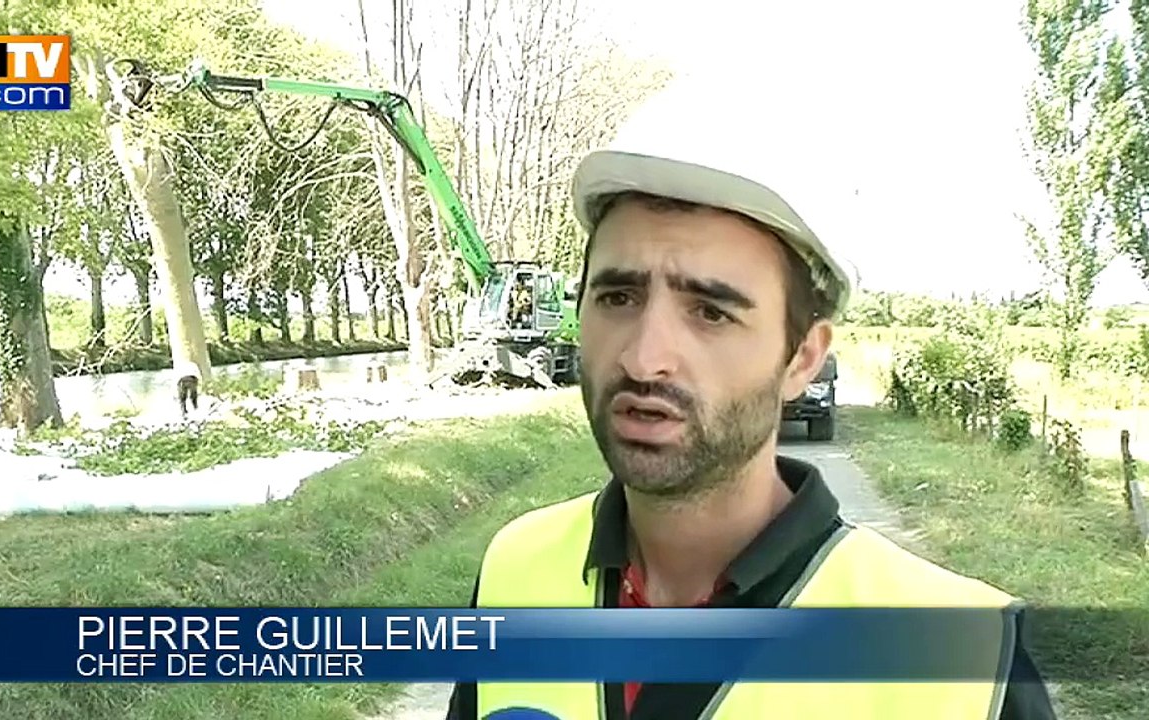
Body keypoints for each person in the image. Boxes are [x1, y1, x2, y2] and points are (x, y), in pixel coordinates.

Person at [445, 86, 1057, 719]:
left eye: (710, 311)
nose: (643, 357)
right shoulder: (515, 568)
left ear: (802, 359)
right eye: (619, 298)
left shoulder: (964, 661)